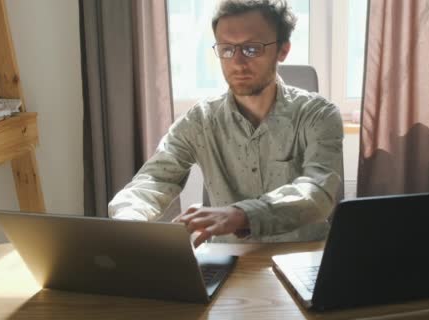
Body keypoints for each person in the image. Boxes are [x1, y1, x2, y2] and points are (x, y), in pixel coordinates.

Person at [108, 0, 343, 246]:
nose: (238, 63)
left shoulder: (318, 115)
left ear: (283, 50)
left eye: (252, 49)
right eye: (227, 49)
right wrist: (129, 219)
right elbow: (155, 179)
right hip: (227, 262)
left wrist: (241, 215)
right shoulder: (200, 120)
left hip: (303, 258)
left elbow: (318, 193)